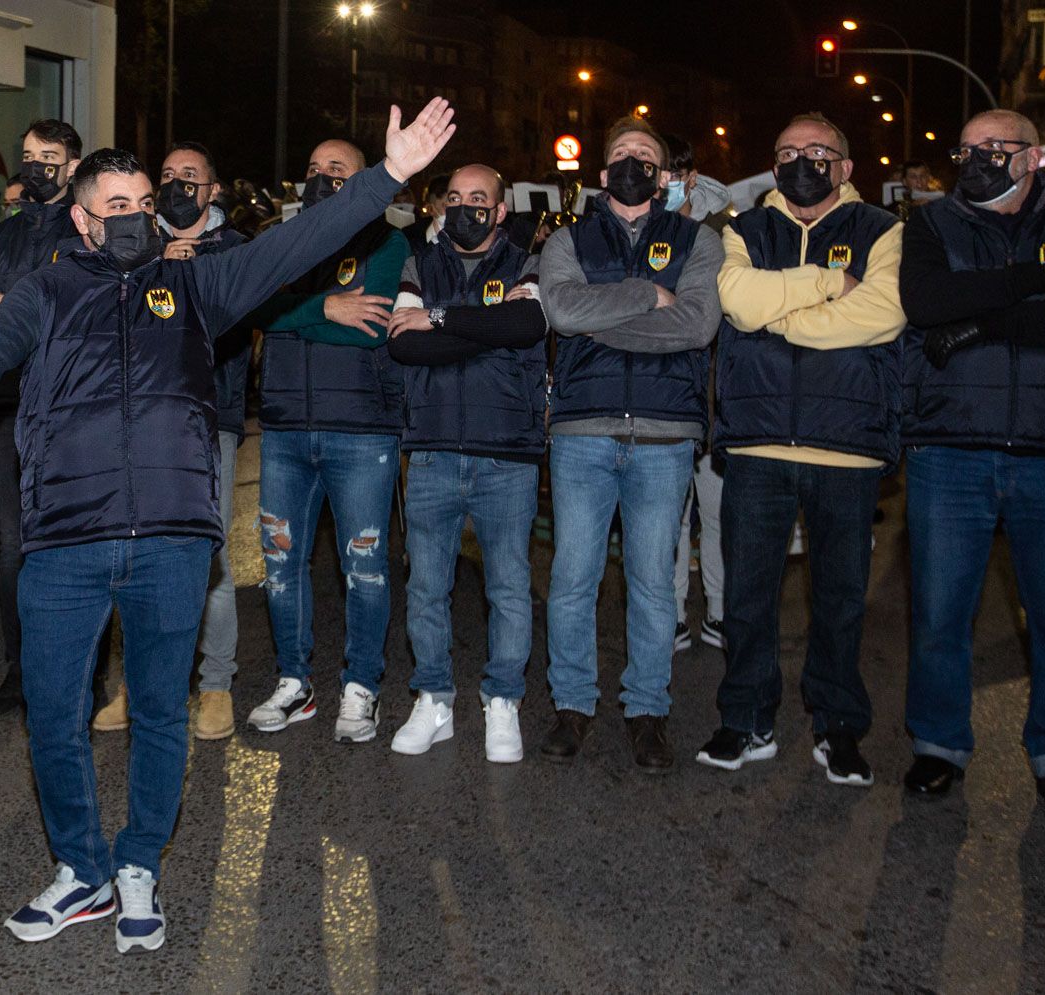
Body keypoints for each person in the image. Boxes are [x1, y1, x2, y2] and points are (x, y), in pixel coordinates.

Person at [0, 98, 456, 955]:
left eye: (142, 204)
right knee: (54, 713)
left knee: (159, 710)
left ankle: (140, 861)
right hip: (65, 540)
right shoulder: (46, 289)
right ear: (80, 219)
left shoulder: (193, 284)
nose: (132, 217)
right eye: (114, 206)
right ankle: (81, 870)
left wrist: (390, 176)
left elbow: (291, 247)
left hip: (172, 540)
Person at [897, 110, 1045, 821]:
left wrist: (986, 320)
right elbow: (928, 303)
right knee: (939, 612)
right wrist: (1030, 281)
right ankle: (938, 744)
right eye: (966, 148)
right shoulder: (932, 224)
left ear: (1031, 159)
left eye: (994, 149)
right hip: (952, 444)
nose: (976, 159)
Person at [694, 113, 904, 787]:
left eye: (817, 152)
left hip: (847, 445)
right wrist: (824, 284)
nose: (801, 162)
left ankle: (838, 725)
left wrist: (779, 312)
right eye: (787, 152)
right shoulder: (745, 230)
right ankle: (746, 716)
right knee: (748, 594)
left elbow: (883, 314)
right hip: (756, 441)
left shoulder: (884, 230)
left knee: (840, 598)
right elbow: (736, 300)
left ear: (846, 167)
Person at [537, 116, 723, 773]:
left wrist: (601, 316)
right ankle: (573, 705)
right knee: (571, 578)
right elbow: (561, 312)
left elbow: (697, 327)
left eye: (646, 156)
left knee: (652, 585)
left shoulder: (698, 240)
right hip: (583, 429)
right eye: (620, 155)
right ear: (601, 171)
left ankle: (648, 710)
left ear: (667, 175)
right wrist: (647, 295)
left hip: (665, 433)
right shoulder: (568, 238)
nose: (632, 165)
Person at [244, 137, 409, 745]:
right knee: (281, 567)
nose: (320, 178)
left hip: (361, 432)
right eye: (312, 169)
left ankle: (361, 685)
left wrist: (297, 309)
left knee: (364, 569)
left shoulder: (386, 243)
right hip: (285, 429)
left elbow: (370, 328)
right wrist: (325, 307)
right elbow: (251, 310)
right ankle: (296, 682)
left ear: (364, 180)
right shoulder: (279, 244)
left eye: (335, 171)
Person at [384, 163, 547, 760]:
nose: (466, 207)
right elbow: (404, 342)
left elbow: (528, 324)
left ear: (500, 211)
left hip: (507, 450)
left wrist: (443, 317)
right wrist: (487, 329)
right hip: (430, 448)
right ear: (437, 207)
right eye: (454, 197)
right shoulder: (417, 263)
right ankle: (434, 699)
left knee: (508, 586)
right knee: (427, 586)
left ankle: (503, 700)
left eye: (479, 198)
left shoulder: (527, 260)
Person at [0, 119, 83, 718]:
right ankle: (20, 670)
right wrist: (14, 310)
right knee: (15, 547)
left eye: (49, 157)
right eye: (29, 154)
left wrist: (14, 306)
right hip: (8, 407)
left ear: (72, 166)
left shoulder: (89, 230)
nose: (36, 165)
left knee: (74, 543)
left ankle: (83, 674)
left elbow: (77, 314)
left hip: (71, 410)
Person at [154, 140, 249, 741]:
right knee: (138, 551)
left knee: (207, 553)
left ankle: (216, 683)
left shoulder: (237, 250)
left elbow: (236, 321)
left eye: (190, 177)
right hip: (144, 418)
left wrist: (192, 271)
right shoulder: (132, 241)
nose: (177, 186)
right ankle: (140, 682)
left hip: (211, 415)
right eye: (166, 176)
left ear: (214, 191)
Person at [662, 135, 727, 653]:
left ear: (689, 177)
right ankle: (674, 610)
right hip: (663, 389)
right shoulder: (643, 230)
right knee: (670, 515)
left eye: (672, 174)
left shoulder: (724, 228)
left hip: (714, 390)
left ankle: (722, 610)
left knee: (719, 510)